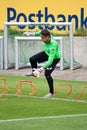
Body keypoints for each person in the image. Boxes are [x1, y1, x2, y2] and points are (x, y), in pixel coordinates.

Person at [24, 29, 61, 98]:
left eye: (43, 38)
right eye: (41, 37)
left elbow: (50, 61)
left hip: (54, 58)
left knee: (47, 74)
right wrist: (31, 34)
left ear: (48, 37)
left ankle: (51, 93)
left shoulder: (53, 45)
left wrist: (41, 69)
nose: (42, 39)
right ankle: (34, 73)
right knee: (32, 59)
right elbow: (40, 32)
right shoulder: (46, 35)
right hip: (47, 53)